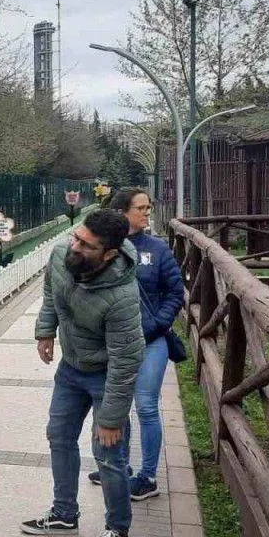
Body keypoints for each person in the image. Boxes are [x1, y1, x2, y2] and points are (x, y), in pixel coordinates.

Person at [21, 209, 144, 537]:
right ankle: (64, 514)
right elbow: (51, 290)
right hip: (71, 370)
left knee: (109, 455)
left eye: (86, 245)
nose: (74, 246)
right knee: (59, 437)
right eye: (77, 237)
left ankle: (118, 529)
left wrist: (112, 418)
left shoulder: (122, 297)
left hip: (106, 376)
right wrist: (45, 330)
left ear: (109, 254)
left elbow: (126, 361)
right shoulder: (62, 254)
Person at [86, 188, 183, 501]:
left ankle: (148, 476)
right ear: (121, 212)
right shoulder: (105, 249)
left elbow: (175, 292)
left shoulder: (157, 248)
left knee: (146, 405)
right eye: (140, 208)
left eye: (148, 207)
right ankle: (118, 467)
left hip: (152, 341)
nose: (147, 212)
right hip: (115, 344)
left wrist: (156, 325)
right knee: (118, 406)